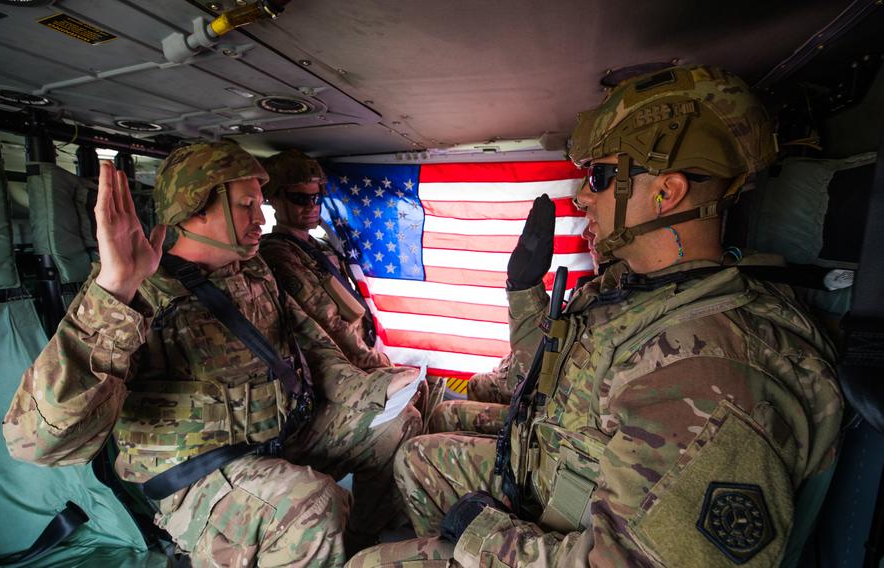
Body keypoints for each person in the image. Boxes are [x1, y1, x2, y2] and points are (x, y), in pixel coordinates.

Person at [347, 64, 843, 567]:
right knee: (418, 457)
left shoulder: (709, 368)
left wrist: (483, 538)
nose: (583, 196)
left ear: (665, 193)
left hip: (568, 517)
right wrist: (523, 290)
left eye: (600, 177)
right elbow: (536, 372)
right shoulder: (629, 293)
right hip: (556, 467)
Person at [2, 141, 421, 567]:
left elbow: (311, 347)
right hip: (197, 476)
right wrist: (115, 288)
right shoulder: (137, 292)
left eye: (261, 205)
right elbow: (37, 442)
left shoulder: (254, 273)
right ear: (197, 206)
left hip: (279, 440)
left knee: (396, 426)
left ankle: (357, 546)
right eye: (246, 205)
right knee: (309, 506)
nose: (262, 219)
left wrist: (374, 390)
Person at [258, 149, 390, 371]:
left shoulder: (320, 247)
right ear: (275, 199)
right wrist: (378, 363)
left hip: (359, 356)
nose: (311, 206)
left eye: (316, 198)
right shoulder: (278, 253)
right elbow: (328, 323)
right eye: (299, 198)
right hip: (335, 366)